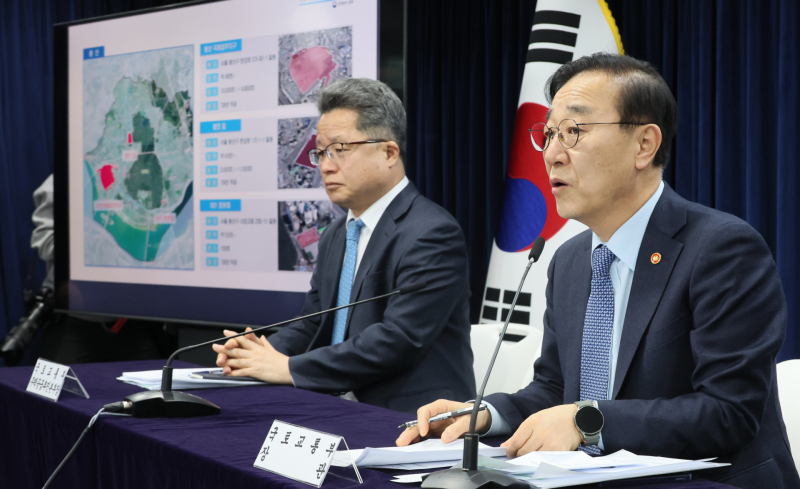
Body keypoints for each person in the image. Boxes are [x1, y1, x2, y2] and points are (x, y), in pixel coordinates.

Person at [397, 53, 800, 488]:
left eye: (573, 131)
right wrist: (486, 414)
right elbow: (555, 389)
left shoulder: (721, 248)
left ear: (644, 145)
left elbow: (729, 412)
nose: (552, 155)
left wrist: (585, 420)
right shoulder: (569, 260)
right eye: (548, 134)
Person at [213, 78, 476, 414]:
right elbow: (314, 322)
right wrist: (256, 353)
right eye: (321, 152)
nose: (325, 165)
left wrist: (288, 368)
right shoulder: (338, 233)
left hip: (410, 417)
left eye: (340, 149)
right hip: (335, 407)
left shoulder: (432, 232)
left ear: (389, 152)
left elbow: (399, 339)